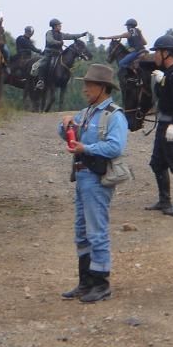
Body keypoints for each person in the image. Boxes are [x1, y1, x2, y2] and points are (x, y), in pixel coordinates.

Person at [58, 64, 128, 303]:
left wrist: (86, 148)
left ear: (102, 87)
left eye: (89, 84)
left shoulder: (114, 115)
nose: (85, 89)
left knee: (96, 230)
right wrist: (66, 124)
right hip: (82, 177)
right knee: (81, 230)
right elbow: (67, 133)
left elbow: (115, 146)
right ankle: (86, 281)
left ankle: (101, 283)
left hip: (97, 179)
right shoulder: (87, 112)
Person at [144, 34, 173, 216]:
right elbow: (164, 96)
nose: (155, 55)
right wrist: (162, 82)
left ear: (166, 53)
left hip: (172, 125)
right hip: (163, 124)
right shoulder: (170, 73)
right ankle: (165, 201)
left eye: (157, 51)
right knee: (157, 163)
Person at [32, 19, 88, 90]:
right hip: (49, 54)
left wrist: (81, 35)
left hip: (58, 54)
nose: (60, 26)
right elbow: (50, 41)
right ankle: (41, 81)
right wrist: (58, 42)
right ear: (54, 26)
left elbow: (71, 36)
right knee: (43, 64)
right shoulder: (49, 33)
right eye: (59, 25)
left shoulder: (61, 34)